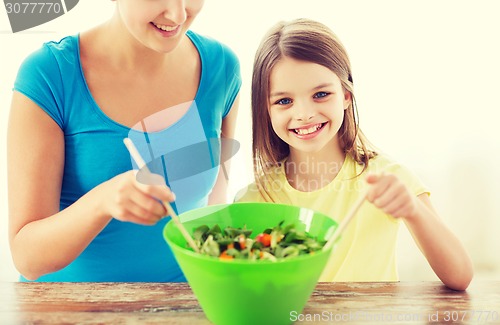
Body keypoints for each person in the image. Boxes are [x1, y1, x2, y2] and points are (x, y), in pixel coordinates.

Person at [7, 0, 241, 282]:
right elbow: (28, 258)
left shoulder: (221, 67)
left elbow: (214, 206)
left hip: (186, 302)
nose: (178, 14)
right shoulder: (50, 74)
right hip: (68, 308)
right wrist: (103, 201)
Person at [235, 18, 473, 290]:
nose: (304, 114)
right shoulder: (254, 200)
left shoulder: (387, 179)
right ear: (265, 109)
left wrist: (413, 209)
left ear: (346, 96)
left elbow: (460, 276)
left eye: (321, 94)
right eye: (284, 101)